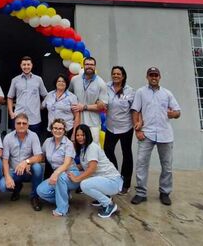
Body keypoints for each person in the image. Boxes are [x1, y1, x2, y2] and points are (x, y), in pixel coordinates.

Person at [131, 67, 181, 206]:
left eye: (156, 75)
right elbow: (135, 110)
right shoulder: (141, 92)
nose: (154, 77)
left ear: (160, 77)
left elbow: (177, 111)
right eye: (151, 75)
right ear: (147, 77)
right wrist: (137, 130)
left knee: (167, 166)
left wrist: (174, 114)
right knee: (141, 164)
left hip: (165, 134)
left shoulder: (167, 93)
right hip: (146, 133)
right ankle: (141, 193)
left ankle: (164, 192)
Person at [68, 124, 123, 218]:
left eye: (83, 135)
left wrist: (77, 179)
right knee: (80, 177)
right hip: (105, 180)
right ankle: (105, 196)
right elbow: (84, 165)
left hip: (113, 181)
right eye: (78, 135)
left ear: (88, 135)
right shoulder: (83, 148)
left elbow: (91, 168)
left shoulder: (91, 147)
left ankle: (109, 204)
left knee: (84, 184)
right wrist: (69, 167)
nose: (80, 137)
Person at [0, 112, 44, 211]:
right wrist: (7, 177)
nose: (21, 125)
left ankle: (35, 197)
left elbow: (39, 156)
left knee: (38, 168)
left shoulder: (33, 136)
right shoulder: (8, 138)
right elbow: (5, 160)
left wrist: (27, 162)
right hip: (14, 171)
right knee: (2, 186)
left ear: (28, 125)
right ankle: (16, 188)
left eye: (24, 123)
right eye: (18, 123)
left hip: (28, 170)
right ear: (14, 125)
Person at [35, 118, 80, 217]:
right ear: (51, 129)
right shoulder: (47, 142)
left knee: (61, 178)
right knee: (41, 191)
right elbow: (41, 157)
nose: (57, 130)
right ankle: (65, 197)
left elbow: (67, 163)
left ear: (64, 131)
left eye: (60, 129)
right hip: (58, 175)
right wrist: (28, 163)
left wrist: (55, 173)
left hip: (71, 174)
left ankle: (62, 209)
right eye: (55, 128)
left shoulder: (68, 144)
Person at [103, 66, 135, 195]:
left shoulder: (130, 91)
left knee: (127, 154)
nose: (116, 75)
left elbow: (135, 109)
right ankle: (115, 176)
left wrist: (138, 124)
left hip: (126, 127)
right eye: (114, 74)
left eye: (118, 74)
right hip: (111, 127)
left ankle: (126, 183)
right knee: (108, 151)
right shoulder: (106, 87)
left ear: (123, 76)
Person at [69, 57, 109, 144]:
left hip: (93, 123)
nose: (89, 66)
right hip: (77, 121)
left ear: (95, 66)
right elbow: (69, 96)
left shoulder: (101, 83)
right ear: (83, 66)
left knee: (93, 147)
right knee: (78, 149)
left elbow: (103, 106)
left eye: (91, 64)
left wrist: (84, 107)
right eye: (87, 64)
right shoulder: (74, 80)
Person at [7, 56, 48, 135]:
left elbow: (46, 95)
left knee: (33, 143)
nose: (26, 67)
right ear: (21, 66)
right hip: (18, 117)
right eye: (24, 64)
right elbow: (10, 97)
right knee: (16, 142)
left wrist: (42, 106)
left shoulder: (38, 79)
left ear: (32, 65)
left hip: (34, 118)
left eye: (28, 64)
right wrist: (11, 113)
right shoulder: (15, 80)